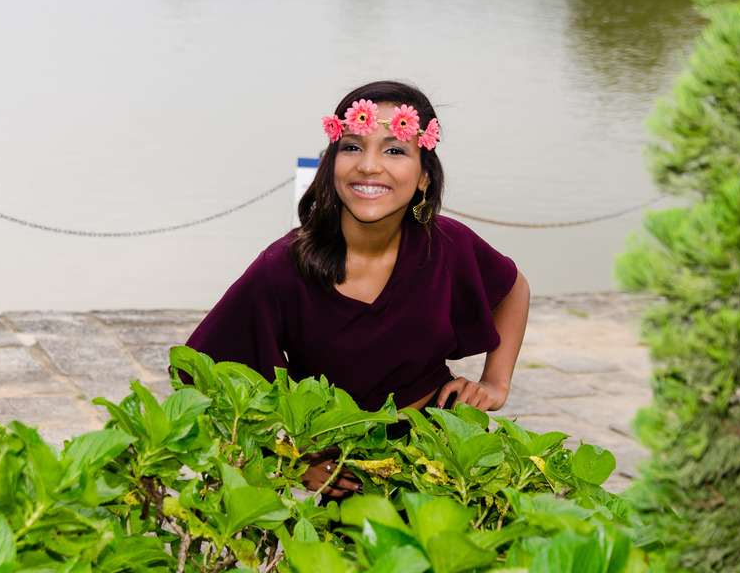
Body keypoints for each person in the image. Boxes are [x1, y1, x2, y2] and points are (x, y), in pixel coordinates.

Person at [185, 80, 530, 498]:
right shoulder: (283, 266)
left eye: (394, 149)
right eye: (351, 146)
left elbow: (513, 289)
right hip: (337, 473)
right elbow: (199, 370)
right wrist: (289, 457)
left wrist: (495, 383)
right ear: (331, 164)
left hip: (438, 451)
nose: (368, 165)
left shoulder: (447, 244)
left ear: (424, 176)